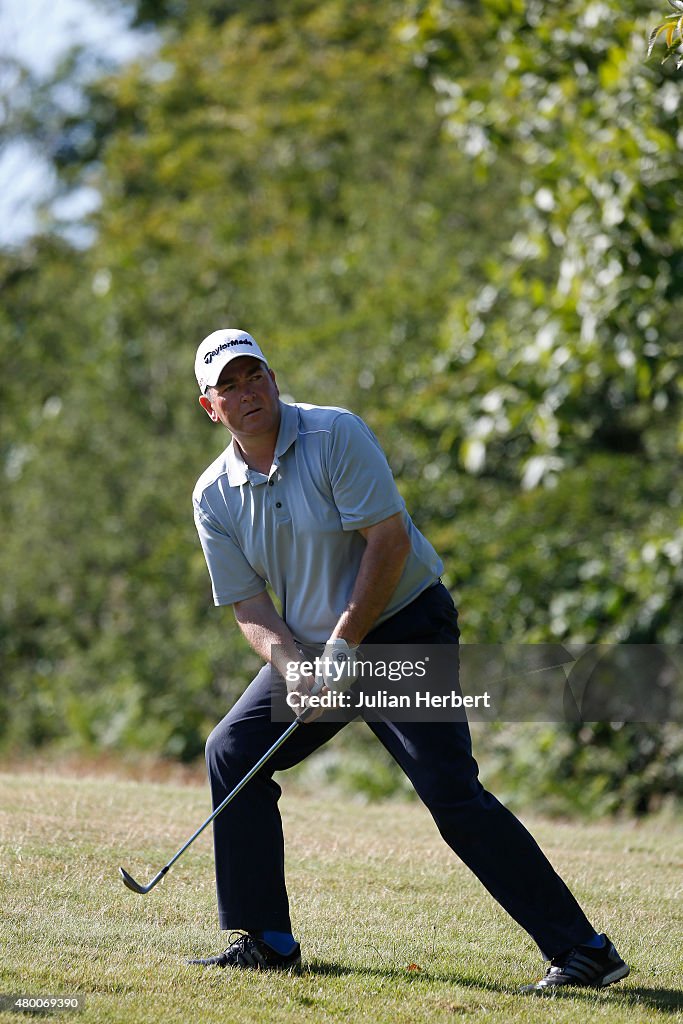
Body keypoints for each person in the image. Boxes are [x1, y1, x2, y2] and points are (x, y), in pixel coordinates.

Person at [187, 327, 629, 993]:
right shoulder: (213, 495)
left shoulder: (335, 435)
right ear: (210, 407)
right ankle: (266, 939)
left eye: (255, 376)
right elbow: (249, 604)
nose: (247, 392)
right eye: (230, 386)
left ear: (273, 379)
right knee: (232, 752)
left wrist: (342, 647)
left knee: (450, 795)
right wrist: (296, 666)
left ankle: (584, 950)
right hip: (315, 650)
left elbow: (387, 542)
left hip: (400, 628)